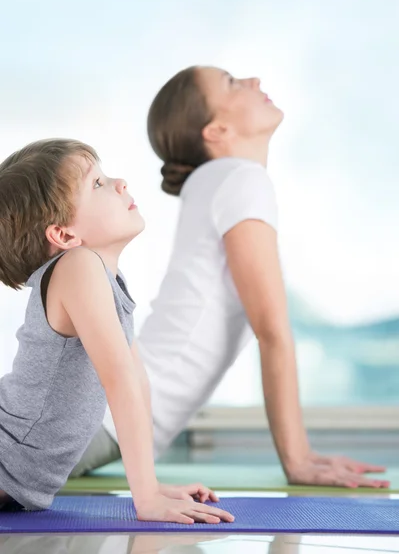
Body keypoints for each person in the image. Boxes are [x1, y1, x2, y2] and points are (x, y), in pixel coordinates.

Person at [75, 66, 389, 490]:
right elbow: (272, 330)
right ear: (217, 129)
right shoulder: (241, 178)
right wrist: (297, 460)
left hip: (104, 413)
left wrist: (304, 454)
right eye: (233, 83)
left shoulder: (217, 181)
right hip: (101, 415)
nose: (255, 80)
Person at [0, 138, 234, 525]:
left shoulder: (105, 277)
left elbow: (136, 380)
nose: (120, 182)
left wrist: (151, 488)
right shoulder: (78, 267)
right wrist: (146, 501)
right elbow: (120, 382)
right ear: (63, 235)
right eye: (97, 184)